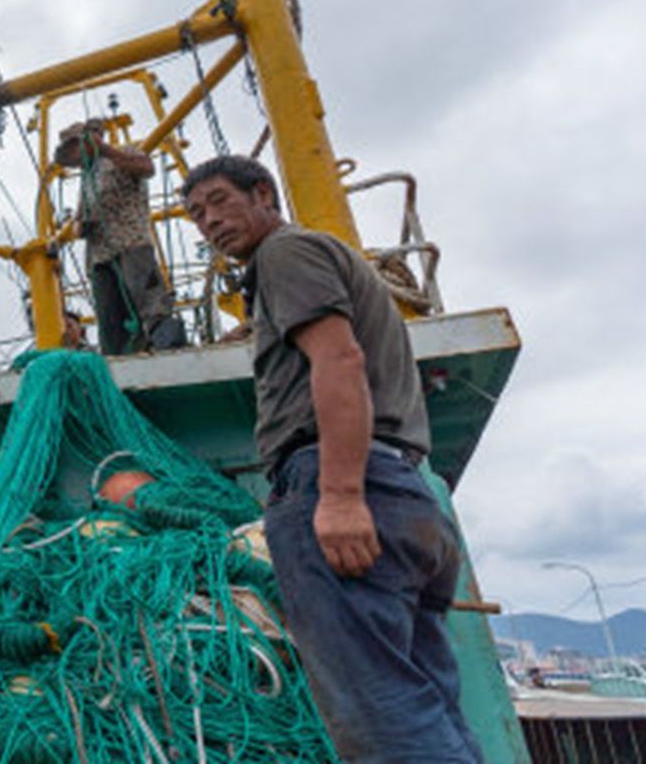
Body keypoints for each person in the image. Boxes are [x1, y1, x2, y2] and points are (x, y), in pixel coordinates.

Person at [181, 155, 481, 763]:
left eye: (219, 201)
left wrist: (340, 495)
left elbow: (339, 362)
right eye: (195, 213)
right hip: (403, 491)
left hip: (343, 485)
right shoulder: (313, 260)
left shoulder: (283, 255)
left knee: (381, 721)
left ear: (264, 192)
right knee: (426, 706)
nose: (208, 221)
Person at [59, 121, 185, 355]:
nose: (76, 156)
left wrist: (105, 150)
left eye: (77, 148)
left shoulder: (124, 153)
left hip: (132, 244)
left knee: (150, 305)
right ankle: (116, 358)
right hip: (99, 256)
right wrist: (81, 226)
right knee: (109, 317)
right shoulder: (87, 177)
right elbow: (80, 216)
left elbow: (147, 168)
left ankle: (168, 350)